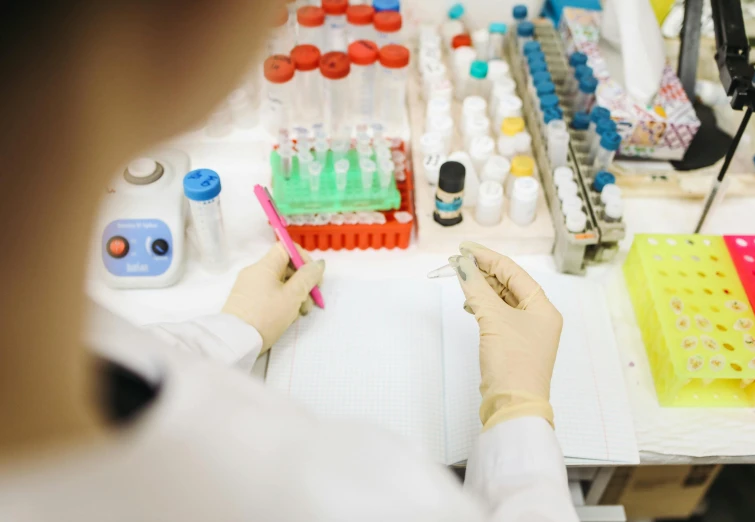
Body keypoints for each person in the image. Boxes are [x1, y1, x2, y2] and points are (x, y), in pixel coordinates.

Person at [0, 2, 577, 521]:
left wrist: (228, 331)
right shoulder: (348, 499)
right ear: (187, 20)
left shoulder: (54, 342)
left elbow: (127, 359)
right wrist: (520, 416)